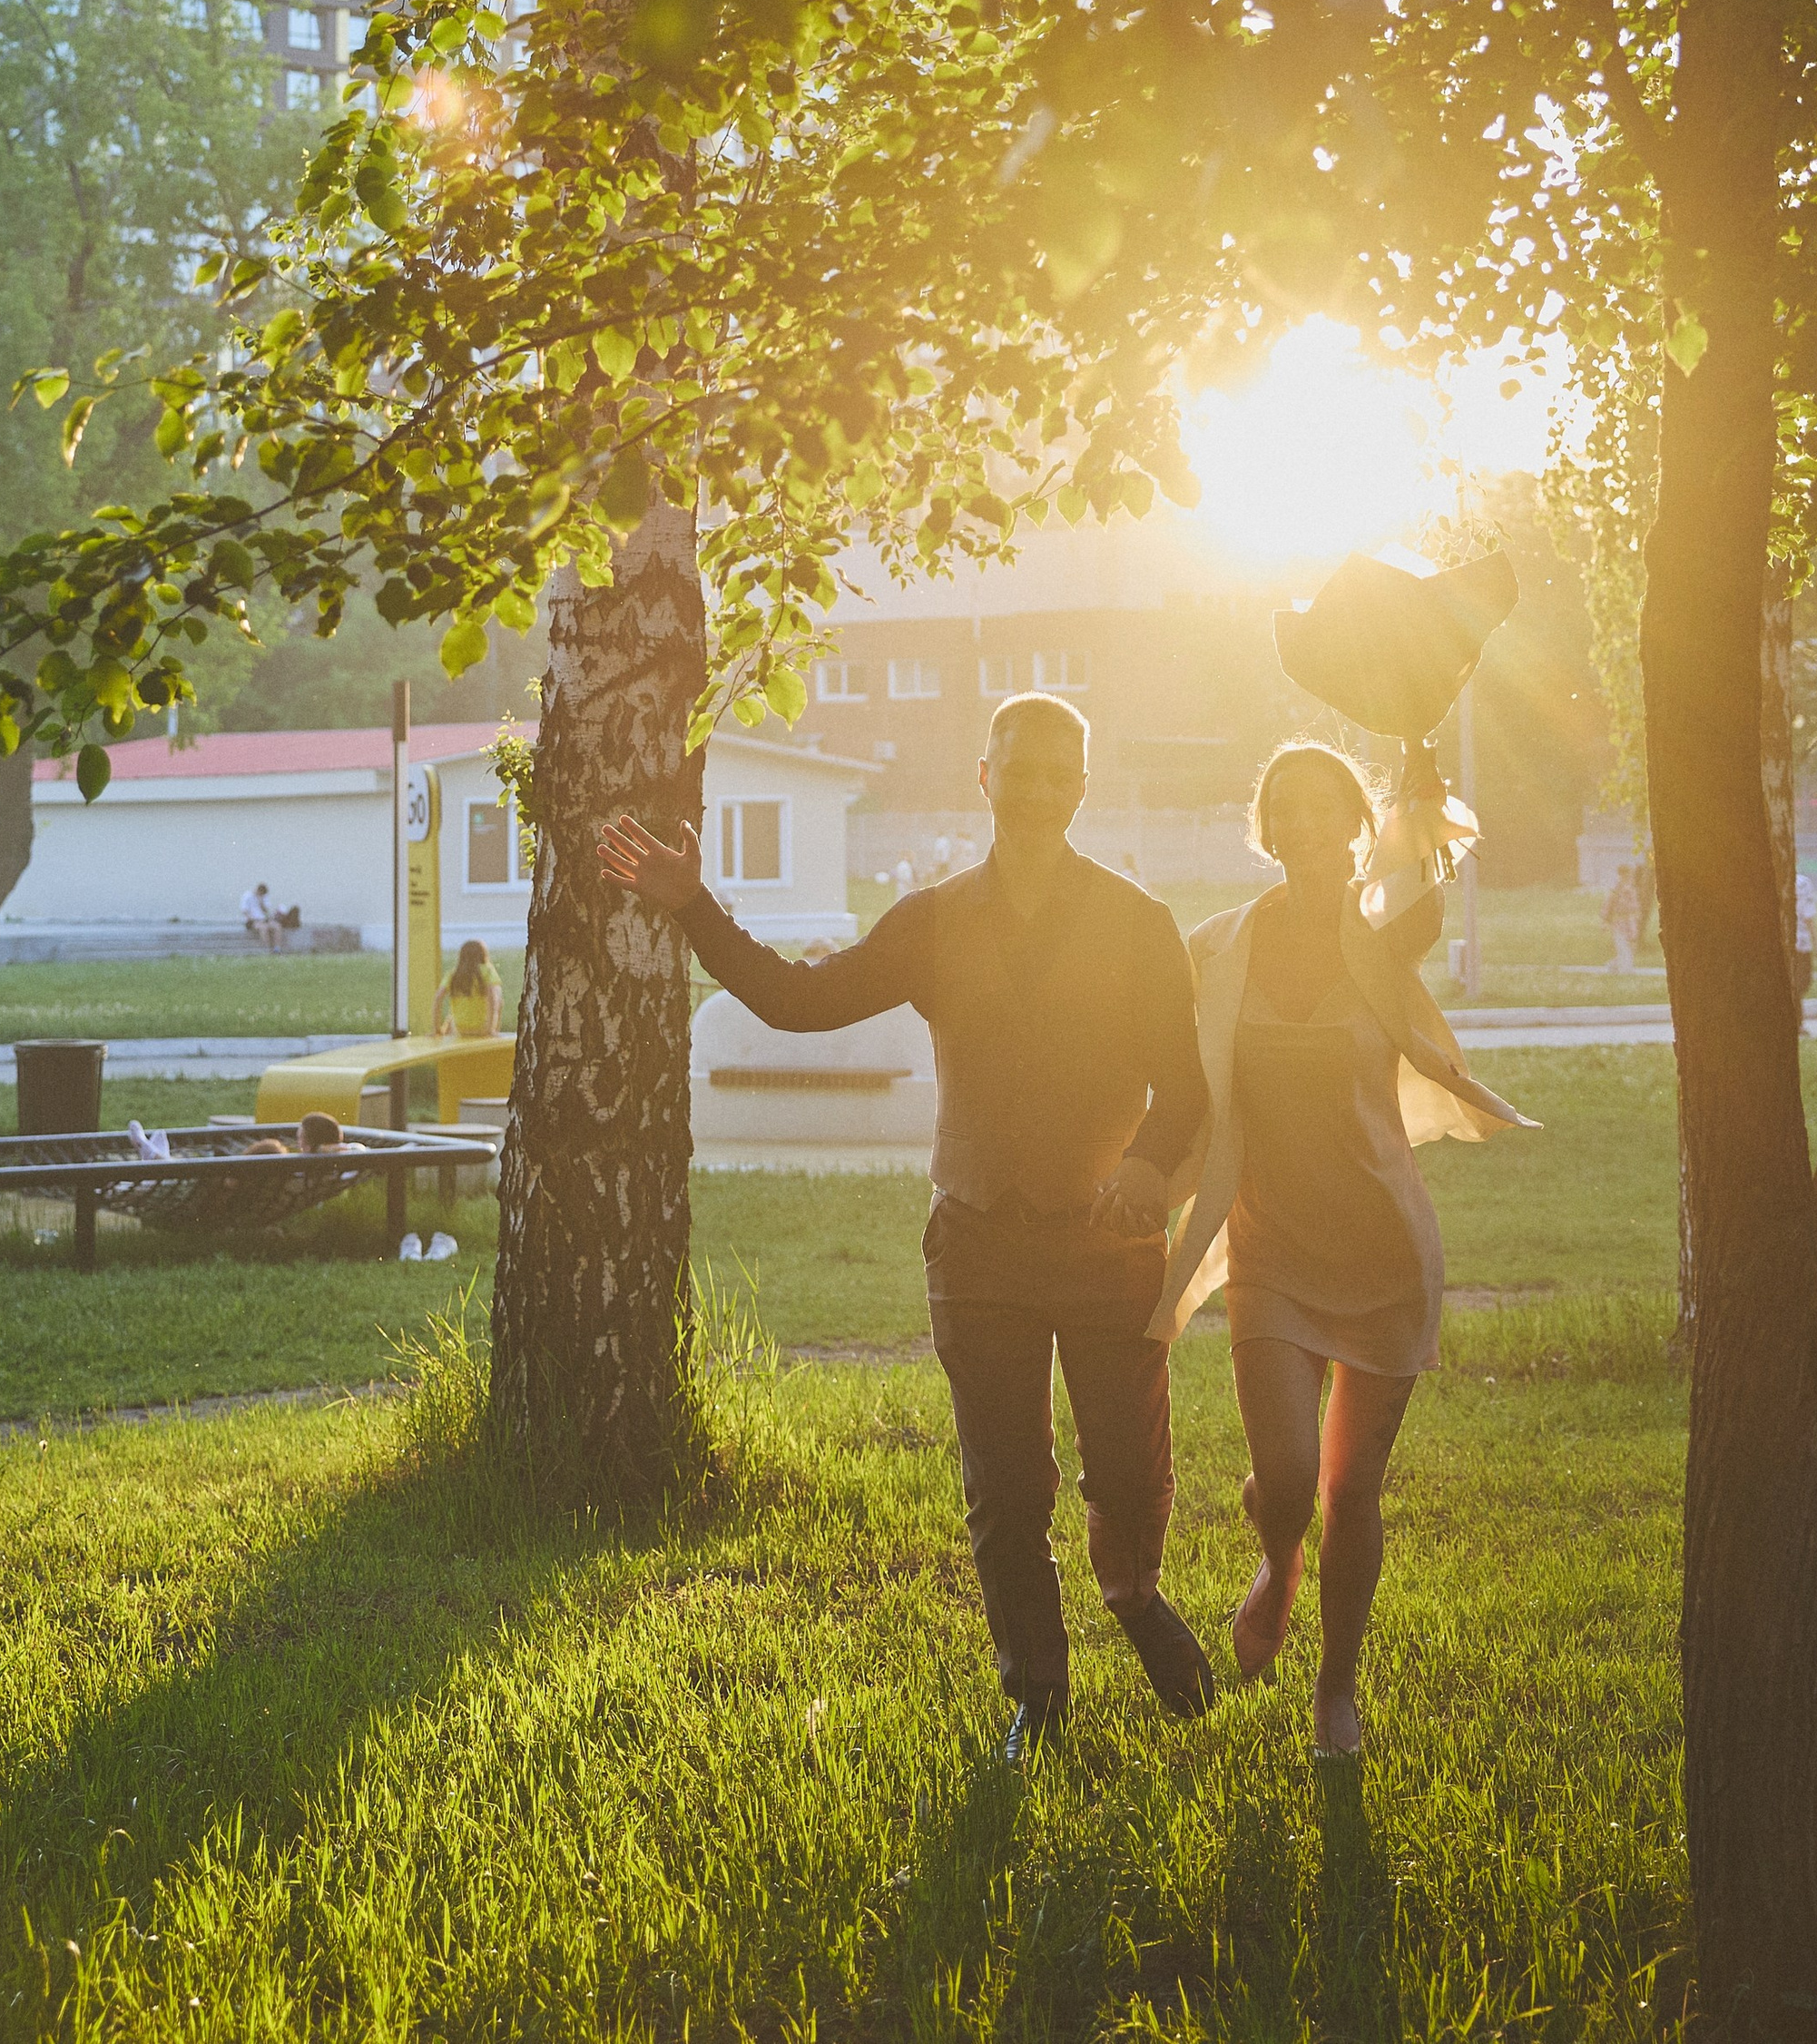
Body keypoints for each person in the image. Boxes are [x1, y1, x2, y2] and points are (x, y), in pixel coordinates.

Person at [603, 692, 1215, 1758]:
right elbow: (800, 1002)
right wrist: (694, 906)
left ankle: (1132, 1595)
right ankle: (1037, 1691)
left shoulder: (1137, 923)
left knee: (1123, 1469)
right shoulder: (932, 922)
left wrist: (1148, 1162)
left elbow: (1189, 1087)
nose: (1033, 788)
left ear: (1081, 787)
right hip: (978, 1243)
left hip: (1108, 1244)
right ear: (984, 776)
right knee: (1007, 1490)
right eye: (1015, 767)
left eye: (1056, 772)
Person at [1149, 743, 1532, 1756]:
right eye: (1288, 808)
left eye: (1329, 807)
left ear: (1354, 822)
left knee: (1350, 1487)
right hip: (1269, 1249)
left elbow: (1423, 873)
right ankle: (1278, 1563)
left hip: (1383, 1253)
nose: (1308, 824)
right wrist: (1148, 1183)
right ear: (1264, 827)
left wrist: (1418, 764)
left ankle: (1335, 1689)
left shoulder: (1387, 939)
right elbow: (1186, 1091)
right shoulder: (1215, 949)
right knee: (1284, 1477)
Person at [433, 939, 502, 1039]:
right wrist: (490, 1029)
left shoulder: (454, 974)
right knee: (499, 999)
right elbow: (493, 999)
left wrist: (436, 1029)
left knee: (453, 1012)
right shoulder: (488, 971)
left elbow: (438, 998)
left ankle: (444, 1031)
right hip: (482, 1029)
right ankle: (494, 1031)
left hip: (460, 1028)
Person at [1792, 866, 1817, 1008]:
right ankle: (1798, 1019)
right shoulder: (1804, 883)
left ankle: (1798, 1018)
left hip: (1795, 941)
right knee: (1803, 981)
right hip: (1802, 941)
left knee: (1797, 983)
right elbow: (1809, 916)